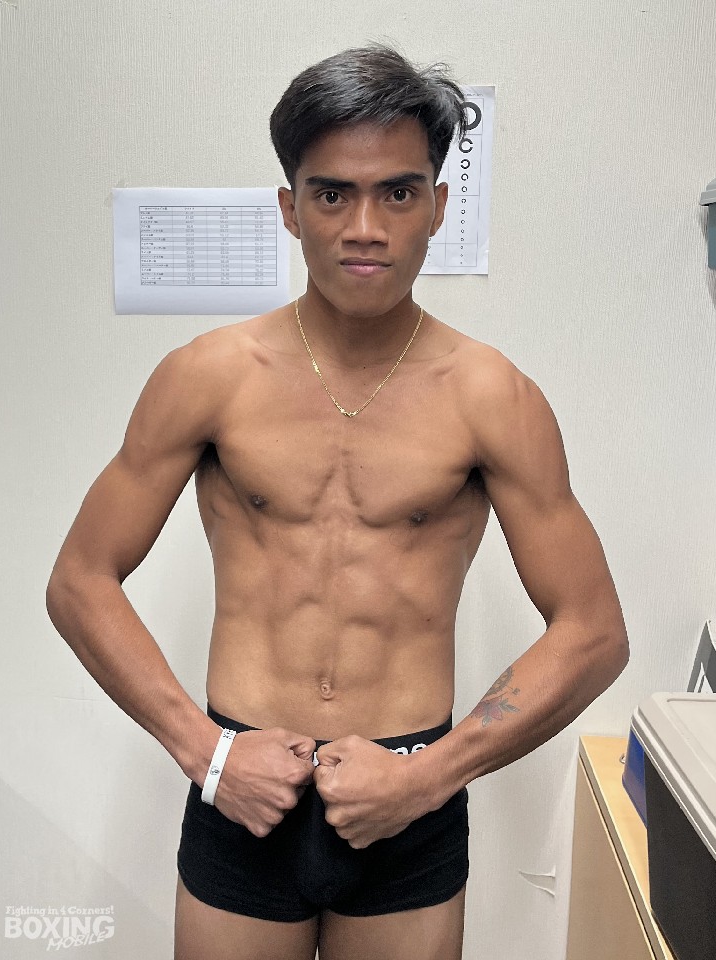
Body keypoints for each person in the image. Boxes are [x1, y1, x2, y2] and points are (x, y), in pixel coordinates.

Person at [46, 44, 628, 960]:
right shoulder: (208, 377)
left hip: (411, 791)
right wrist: (207, 754)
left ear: (439, 206)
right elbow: (79, 580)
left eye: (398, 193)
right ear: (290, 209)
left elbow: (593, 630)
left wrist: (432, 777)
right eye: (331, 194)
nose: (365, 227)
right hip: (242, 790)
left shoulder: (493, 397)